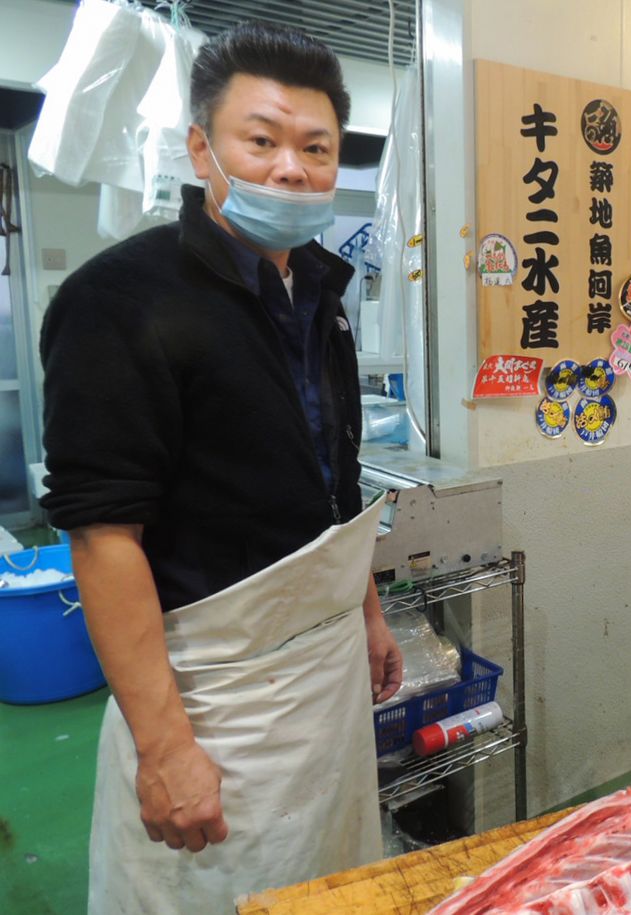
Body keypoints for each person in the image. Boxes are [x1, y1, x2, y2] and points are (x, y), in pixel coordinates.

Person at [40, 22, 403, 912]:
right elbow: (103, 531)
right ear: (203, 148)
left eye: (316, 148)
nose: (291, 168)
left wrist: (365, 608)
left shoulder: (320, 289)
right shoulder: (120, 300)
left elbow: (333, 477)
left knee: (331, 882)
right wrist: (165, 748)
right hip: (208, 692)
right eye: (263, 140)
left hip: (323, 675)